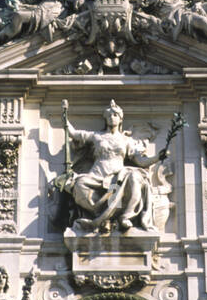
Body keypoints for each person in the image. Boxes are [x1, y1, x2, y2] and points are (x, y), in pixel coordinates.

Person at [62, 99, 159, 234]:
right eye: (108, 115)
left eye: (115, 115)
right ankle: (100, 213)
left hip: (117, 176)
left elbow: (141, 162)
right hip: (97, 174)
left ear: (120, 119)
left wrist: (158, 157)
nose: (111, 118)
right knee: (79, 184)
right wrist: (64, 115)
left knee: (133, 178)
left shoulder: (126, 140)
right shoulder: (96, 136)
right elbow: (73, 133)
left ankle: (125, 215)